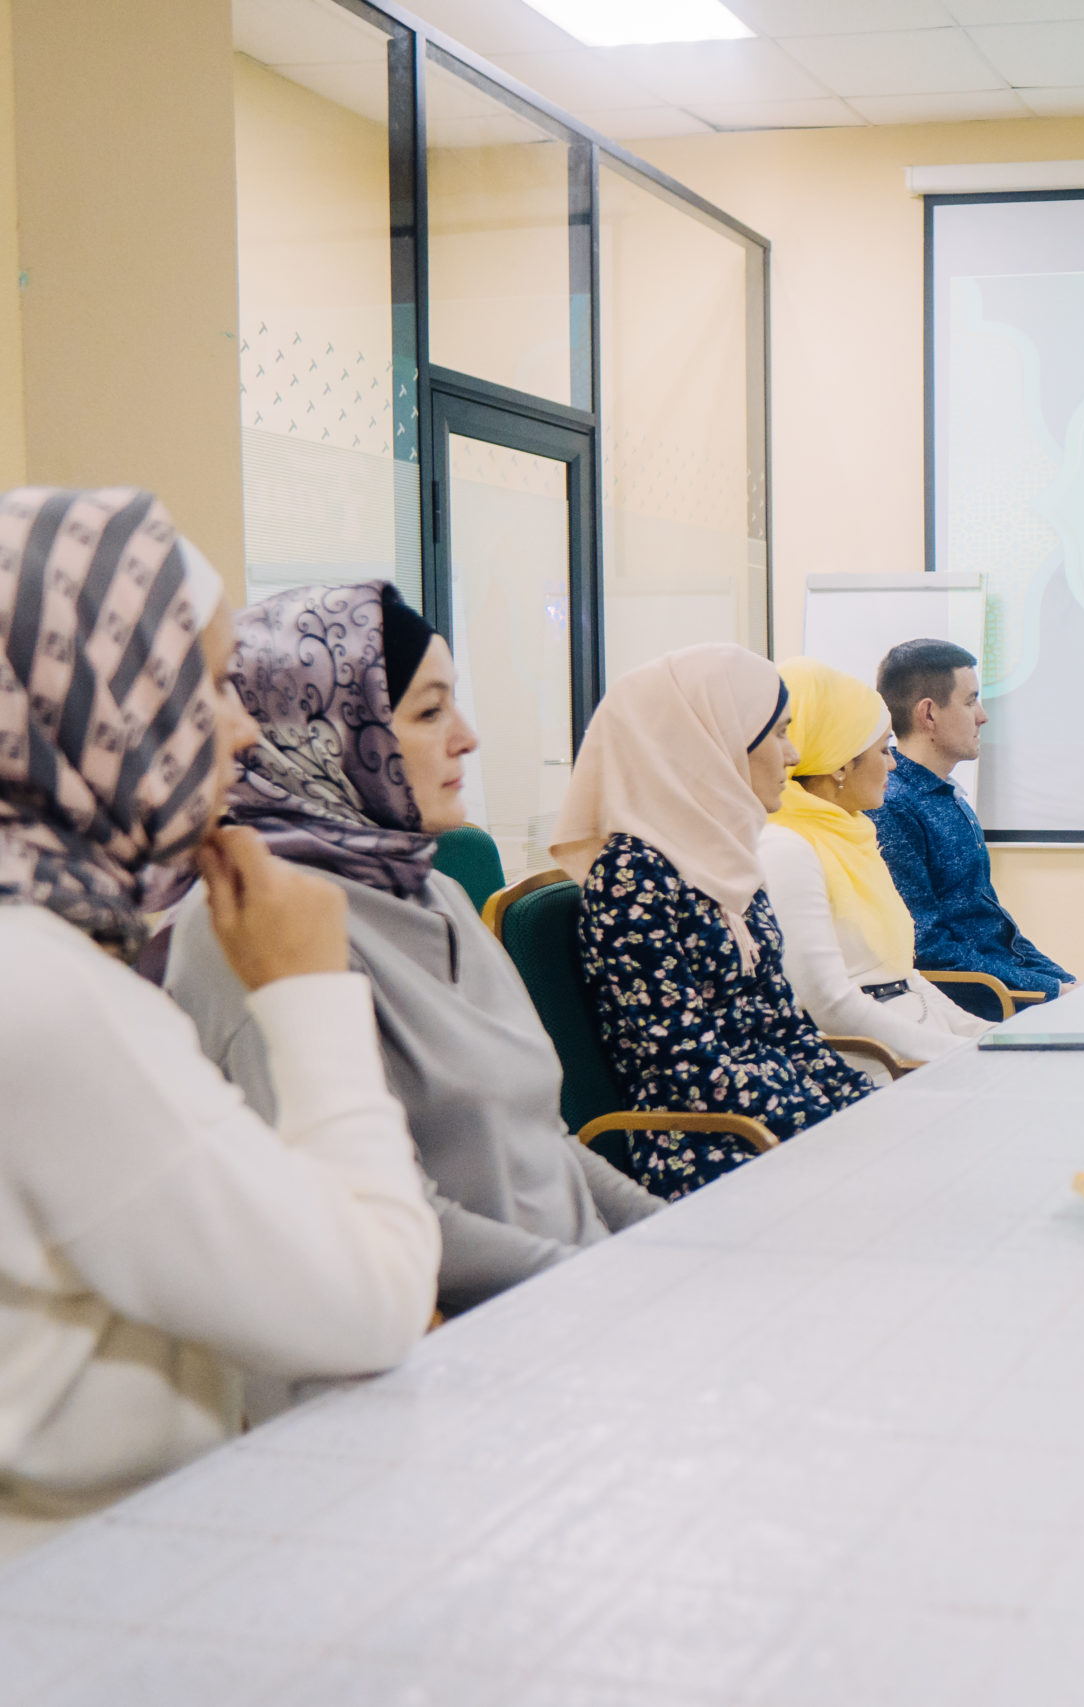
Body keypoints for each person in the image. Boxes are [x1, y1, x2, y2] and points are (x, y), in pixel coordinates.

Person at [0, 487, 438, 1557]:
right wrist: (308, 987)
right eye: (203, 685)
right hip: (99, 1584)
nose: (243, 732)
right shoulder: (45, 994)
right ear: (88, 709)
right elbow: (372, 1301)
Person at [164, 582, 660, 1317]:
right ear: (324, 736)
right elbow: (373, 1217)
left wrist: (672, 1238)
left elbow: (544, 1139)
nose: (467, 737)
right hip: (468, 1334)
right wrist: (610, 1286)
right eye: (429, 711)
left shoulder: (438, 893)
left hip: (576, 1299)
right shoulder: (252, 922)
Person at [553, 643, 866, 1199]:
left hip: (777, 1122)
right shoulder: (632, 876)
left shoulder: (726, 859)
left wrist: (864, 1105)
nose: (793, 755)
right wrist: (826, 1124)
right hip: (707, 1143)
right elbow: (692, 1069)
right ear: (713, 744)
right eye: (778, 734)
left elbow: (787, 1027)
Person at [761, 657, 991, 1063]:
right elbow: (830, 1004)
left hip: (917, 1046)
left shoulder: (854, 835)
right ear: (840, 764)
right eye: (883, 749)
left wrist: (986, 1036)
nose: (893, 763)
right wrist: (960, 1054)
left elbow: (904, 976)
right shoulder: (786, 848)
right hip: (875, 1063)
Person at [872, 639, 1071, 1021]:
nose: (983, 716)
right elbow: (927, 947)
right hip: (974, 1007)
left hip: (1005, 989)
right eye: (970, 701)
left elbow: (996, 930)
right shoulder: (893, 807)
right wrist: (1053, 990)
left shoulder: (948, 797)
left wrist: (1063, 982)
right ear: (929, 714)